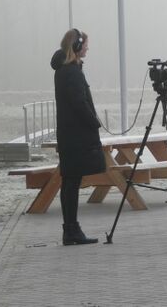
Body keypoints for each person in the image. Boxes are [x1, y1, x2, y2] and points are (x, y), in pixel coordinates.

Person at [50, 28, 105, 245]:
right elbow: (79, 103)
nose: (88, 48)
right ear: (77, 46)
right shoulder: (71, 72)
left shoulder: (65, 70)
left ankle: (71, 229)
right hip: (76, 136)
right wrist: (94, 122)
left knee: (70, 182)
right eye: (85, 44)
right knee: (71, 183)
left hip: (69, 135)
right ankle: (71, 230)